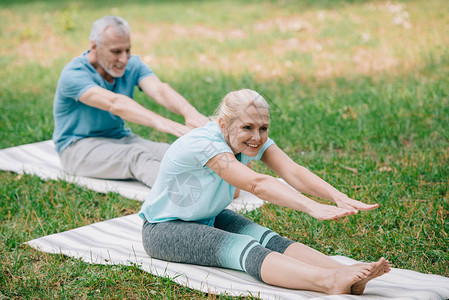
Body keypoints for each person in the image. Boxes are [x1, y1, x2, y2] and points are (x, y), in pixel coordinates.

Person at [138, 89, 391, 295]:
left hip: (210, 216)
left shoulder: (245, 138)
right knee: (243, 246)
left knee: (270, 239)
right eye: (248, 127)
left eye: (264, 128)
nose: (257, 137)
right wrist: (311, 206)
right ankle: (328, 281)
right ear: (224, 125)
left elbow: (293, 171)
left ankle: (346, 273)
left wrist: (337, 196)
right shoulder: (206, 144)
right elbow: (257, 184)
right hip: (164, 229)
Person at [52, 16, 208, 187]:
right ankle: (190, 196)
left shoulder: (132, 65)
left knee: (176, 153)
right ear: (94, 47)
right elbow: (115, 103)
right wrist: (161, 122)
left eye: (128, 50)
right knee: (135, 156)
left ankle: (223, 183)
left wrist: (190, 112)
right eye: (116, 52)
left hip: (119, 138)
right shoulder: (73, 74)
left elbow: (159, 89)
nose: (124, 59)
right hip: (76, 148)